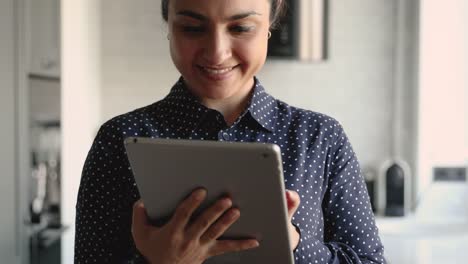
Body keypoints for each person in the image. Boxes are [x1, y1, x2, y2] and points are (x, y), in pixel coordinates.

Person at [74, 0, 386, 263]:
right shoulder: (118, 140)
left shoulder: (320, 138)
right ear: (168, 23)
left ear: (269, 25)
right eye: (193, 28)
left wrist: (295, 244)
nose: (217, 53)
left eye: (240, 28)